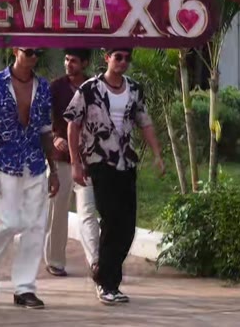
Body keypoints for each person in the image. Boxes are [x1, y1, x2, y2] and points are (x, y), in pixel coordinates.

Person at [64, 48, 164, 305]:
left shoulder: (134, 89)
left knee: (127, 226)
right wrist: (75, 163)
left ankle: (106, 277)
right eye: (118, 57)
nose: (123, 62)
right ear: (107, 58)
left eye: (127, 58)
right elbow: (73, 125)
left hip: (126, 161)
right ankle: (107, 283)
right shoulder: (89, 89)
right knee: (111, 220)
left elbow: (144, 121)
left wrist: (157, 154)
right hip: (99, 161)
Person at [0, 47, 59, 310]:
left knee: (35, 227)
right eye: (29, 51)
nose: (34, 56)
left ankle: (24, 288)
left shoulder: (42, 87)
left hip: (35, 164)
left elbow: (46, 130)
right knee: (10, 222)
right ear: (16, 51)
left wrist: (54, 170)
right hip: (5, 163)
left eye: (38, 53)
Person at [44, 48, 100, 278]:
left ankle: (95, 262)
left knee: (87, 212)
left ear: (84, 63)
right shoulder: (55, 87)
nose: (68, 64)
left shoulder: (94, 88)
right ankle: (55, 261)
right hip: (60, 161)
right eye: (66, 60)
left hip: (87, 161)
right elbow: (42, 120)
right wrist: (54, 138)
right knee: (57, 212)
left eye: (73, 61)